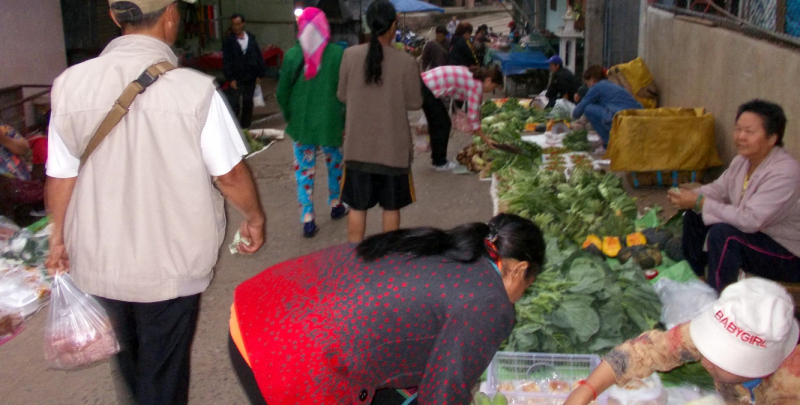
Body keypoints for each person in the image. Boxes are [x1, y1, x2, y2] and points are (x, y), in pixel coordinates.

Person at [45, 0, 266, 405]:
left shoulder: (68, 86)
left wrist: (57, 239)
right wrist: (254, 218)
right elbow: (229, 176)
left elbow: (61, 174)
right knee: (164, 372)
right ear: (169, 16)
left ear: (115, 17)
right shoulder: (195, 91)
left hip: (100, 260)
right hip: (170, 265)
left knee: (131, 365)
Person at [228, 213, 546, 405]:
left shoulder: (454, 248)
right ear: (519, 270)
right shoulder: (490, 302)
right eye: (527, 284)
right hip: (283, 352)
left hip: (264, 305)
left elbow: (410, 327)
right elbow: (441, 398)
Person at [563, 277, 800, 405]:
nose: (706, 362)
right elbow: (646, 351)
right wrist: (585, 392)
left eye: (722, 360)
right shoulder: (726, 329)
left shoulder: (790, 390)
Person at [667, 100, 800, 292]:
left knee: (725, 235)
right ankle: (697, 278)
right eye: (738, 129)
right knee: (695, 213)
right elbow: (719, 190)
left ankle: (718, 300)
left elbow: (750, 220)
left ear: (772, 138)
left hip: (787, 254)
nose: (740, 137)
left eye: (749, 132)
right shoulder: (742, 161)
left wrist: (700, 202)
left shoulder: (785, 172)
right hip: (756, 235)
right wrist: (691, 196)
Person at [337, 0, 422, 243]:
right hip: (393, 150)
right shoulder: (406, 61)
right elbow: (415, 103)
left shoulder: (350, 55)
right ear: (394, 25)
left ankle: (354, 258)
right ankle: (389, 261)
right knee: (391, 208)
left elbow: (342, 95)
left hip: (357, 149)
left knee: (357, 207)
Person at [277, 7, 347, 239]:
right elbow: (344, 92)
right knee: (335, 165)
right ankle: (336, 204)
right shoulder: (338, 54)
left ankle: (308, 218)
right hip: (331, 123)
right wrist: (343, 118)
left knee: (304, 172)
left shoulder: (292, 56)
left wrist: (291, 116)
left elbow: (282, 94)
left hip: (303, 125)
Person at [421, 66, 503, 171]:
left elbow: (474, 109)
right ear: (488, 80)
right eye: (494, 86)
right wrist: (486, 139)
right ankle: (439, 163)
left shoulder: (475, 76)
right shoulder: (477, 85)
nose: (492, 90)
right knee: (442, 124)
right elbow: (473, 117)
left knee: (438, 123)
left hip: (426, 83)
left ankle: (437, 160)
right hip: (428, 87)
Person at [571, 64, 642, 148]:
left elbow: (579, 110)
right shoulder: (610, 85)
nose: (588, 87)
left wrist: (570, 121)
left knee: (588, 109)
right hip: (637, 117)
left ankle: (608, 144)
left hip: (621, 119)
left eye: (587, 83)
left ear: (592, 80)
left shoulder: (597, 87)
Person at [223, 13, 267, 129]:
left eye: (238, 24)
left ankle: (245, 128)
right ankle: (233, 128)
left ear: (243, 23)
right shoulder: (229, 41)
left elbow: (258, 56)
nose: (236, 27)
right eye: (234, 25)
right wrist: (230, 78)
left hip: (251, 76)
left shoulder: (251, 39)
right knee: (234, 104)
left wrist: (260, 74)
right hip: (236, 78)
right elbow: (227, 60)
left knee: (248, 103)